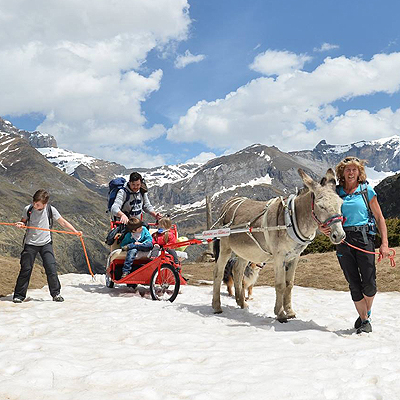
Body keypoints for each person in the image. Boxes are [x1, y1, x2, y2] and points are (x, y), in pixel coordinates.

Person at [320, 157, 390, 334]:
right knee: (353, 283)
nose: (351, 172)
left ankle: (365, 313)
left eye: (354, 169)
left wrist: (384, 244)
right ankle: (365, 321)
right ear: (342, 173)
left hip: (364, 237)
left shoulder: (367, 191)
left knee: (369, 284)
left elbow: (380, 218)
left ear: (359, 172)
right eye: (347, 169)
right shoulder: (335, 193)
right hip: (343, 240)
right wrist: (322, 227)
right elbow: (324, 213)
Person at [13, 189, 80, 303]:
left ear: (45, 204)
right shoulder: (28, 209)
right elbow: (23, 221)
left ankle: (56, 294)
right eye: (34, 202)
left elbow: (62, 222)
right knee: (26, 269)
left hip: (46, 244)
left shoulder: (50, 210)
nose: (34, 205)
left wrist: (75, 231)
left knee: (51, 268)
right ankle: (19, 295)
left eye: (38, 204)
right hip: (30, 244)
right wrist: (21, 224)